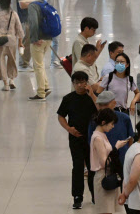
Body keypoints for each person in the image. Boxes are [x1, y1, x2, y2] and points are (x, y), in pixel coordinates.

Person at [57, 71, 98, 209]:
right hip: (75, 138)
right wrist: (69, 129)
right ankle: (77, 196)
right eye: (77, 83)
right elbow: (61, 116)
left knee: (93, 167)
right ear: (73, 84)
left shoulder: (92, 98)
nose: (80, 85)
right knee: (78, 166)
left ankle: (95, 194)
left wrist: (92, 94)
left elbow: (101, 110)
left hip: (92, 138)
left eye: (82, 82)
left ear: (87, 83)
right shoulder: (68, 98)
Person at [90, 108, 128, 214]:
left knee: (111, 210)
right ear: (103, 123)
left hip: (109, 175)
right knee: (105, 210)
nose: (113, 126)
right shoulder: (97, 138)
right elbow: (104, 162)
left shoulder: (102, 135)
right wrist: (116, 147)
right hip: (103, 177)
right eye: (111, 124)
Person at [27, 0, 54, 101]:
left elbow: (33, 23)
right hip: (48, 38)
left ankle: (41, 92)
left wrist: (34, 39)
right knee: (40, 64)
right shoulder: (45, 4)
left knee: (37, 66)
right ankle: (46, 87)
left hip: (39, 40)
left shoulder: (33, 5)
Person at [40, 0, 65, 67]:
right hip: (47, 17)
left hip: (58, 16)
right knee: (44, 41)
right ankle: (40, 61)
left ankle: (53, 61)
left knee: (56, 40)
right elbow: (41, 2)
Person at [15, 0, 38, 70]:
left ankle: (25, 62)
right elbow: (22, 5)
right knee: (25, 42)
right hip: (24, 19)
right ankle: (23, 64)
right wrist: (35, 3)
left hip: (28, 18)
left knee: (27, 42)